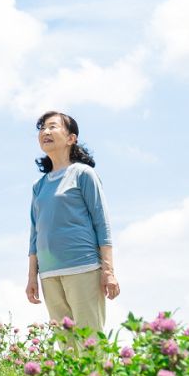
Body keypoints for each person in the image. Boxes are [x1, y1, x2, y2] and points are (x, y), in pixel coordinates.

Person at [23, 111, 119, 332]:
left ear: (71, 138)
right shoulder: (39, 186)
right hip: (49, 274)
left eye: (52, 126)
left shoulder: (83, 174)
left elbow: (101, 223)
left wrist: (109, 271)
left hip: (83, 267)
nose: (45, 132)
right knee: (66, 347)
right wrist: (32, 277)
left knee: (90, 342)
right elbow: (34, 235)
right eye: (42, 128)